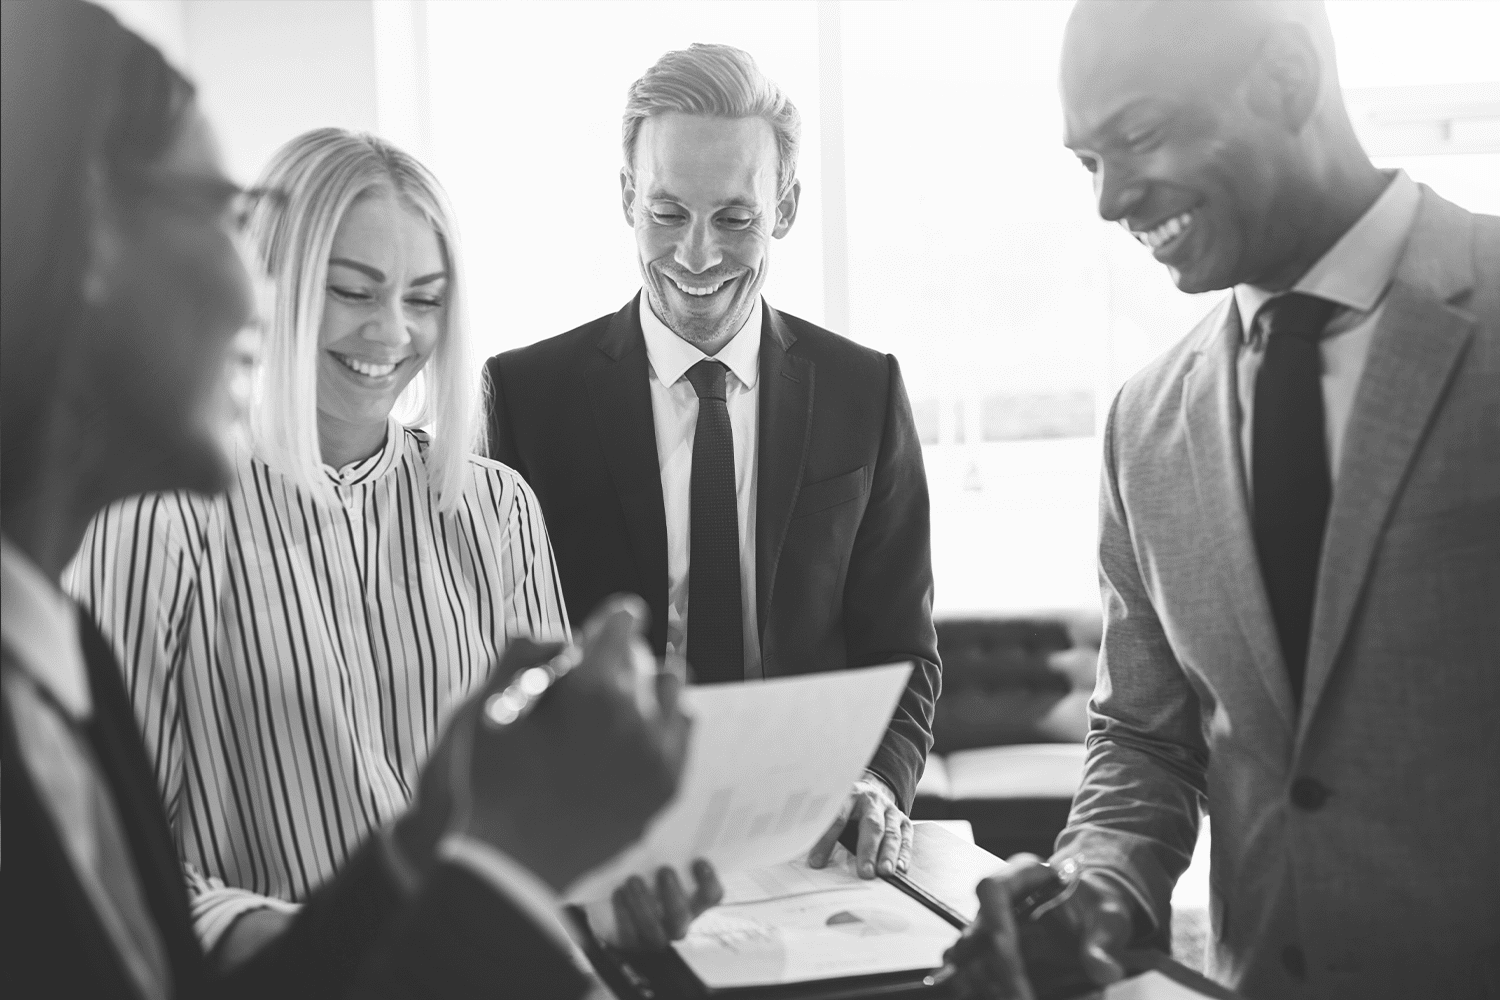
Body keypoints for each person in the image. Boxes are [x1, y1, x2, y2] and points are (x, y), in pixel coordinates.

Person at [1, 3, 690, 997]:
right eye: (217, 214)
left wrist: (576, 876)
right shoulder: (149, 534)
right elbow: (148, 915)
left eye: (423, 297)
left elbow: (530, 854)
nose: (392, 331)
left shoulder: (492, 504)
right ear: (87, 242)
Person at [946, 3, 1500, 999]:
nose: (1112, 200)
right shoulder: (1142, 423)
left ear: (1286, 74)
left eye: (1139, 136)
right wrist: (1094, 891)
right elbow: (1144, 740)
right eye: (1087, 162)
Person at [484, 43, 942, 906]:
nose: (696, 255)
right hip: (604, 855)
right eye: (667, 212)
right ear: (627, 197)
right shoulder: (525, 396)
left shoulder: (864, 390)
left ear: (788, 205)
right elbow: (494, 655)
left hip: (809, 853)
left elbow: (902, 649)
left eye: (735, 218)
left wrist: (877, 782)